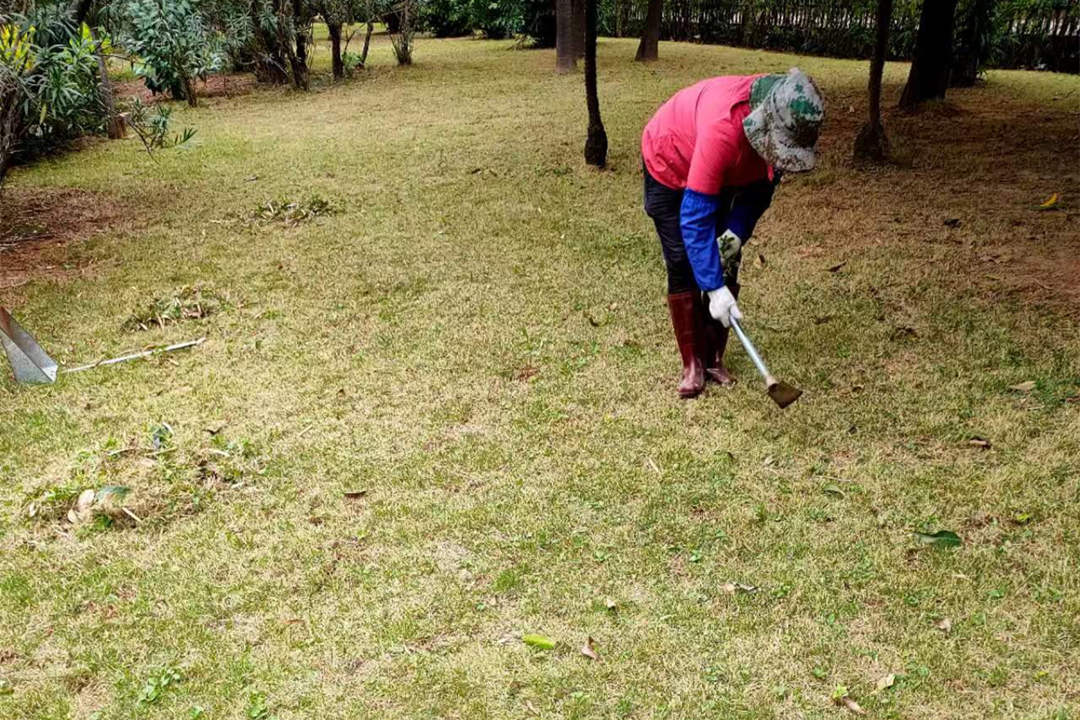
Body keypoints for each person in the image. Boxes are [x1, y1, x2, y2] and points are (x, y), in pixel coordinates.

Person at [641, 68, 824, 398]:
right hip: (669, 160)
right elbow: (694, 219)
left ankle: (713, 358)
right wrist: (713, 288)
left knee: (725, 255)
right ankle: (692, 363)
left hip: (723, 174)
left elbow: (760, 192)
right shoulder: (723, 129)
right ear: (764, 124)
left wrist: (736, 233)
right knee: (683, 258)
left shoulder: (784, 123)